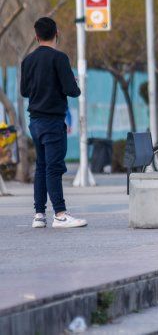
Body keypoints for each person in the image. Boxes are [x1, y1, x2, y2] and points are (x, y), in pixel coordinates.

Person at [22, 17, 86, 228]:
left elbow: (24, 91)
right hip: (53, 122)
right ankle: (60, 214)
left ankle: (39, 214)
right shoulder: (60, 58)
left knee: (41, 167)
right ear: (57, 33)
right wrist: (72, 82)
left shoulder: (27, 61)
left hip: (36, 122)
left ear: (36, 36)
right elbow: (72, 91)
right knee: (54, 168)